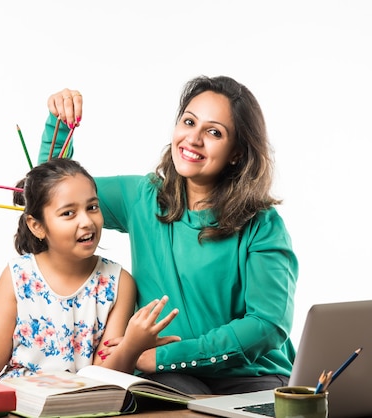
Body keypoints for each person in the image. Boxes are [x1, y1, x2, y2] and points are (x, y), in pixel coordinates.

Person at [37, 76, 299, 395]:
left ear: (236, 153)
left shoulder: (263, 224)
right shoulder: (142, 197)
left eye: (214, 132)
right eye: (188, 122)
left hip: (252, 377)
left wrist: (164, 357)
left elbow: (266, 326)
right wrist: (60, 125)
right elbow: (52, 197)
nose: (194, 139)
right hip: (172, 380)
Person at [0, 158, 179, 380]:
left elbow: (103, 377)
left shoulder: (118, 282)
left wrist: (132, 345)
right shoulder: (18, 276)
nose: (86, 221)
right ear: (37, 226)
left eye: (92, 207)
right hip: (20, 405)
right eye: (68, 213)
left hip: (83, 405)